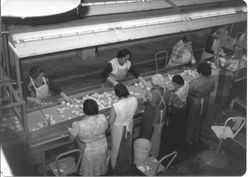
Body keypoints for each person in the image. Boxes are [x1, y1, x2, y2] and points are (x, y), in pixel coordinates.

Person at [69, 99, 108, 176]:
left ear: (84, 111)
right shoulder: (103, 117)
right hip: (102, 146)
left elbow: (71, 139)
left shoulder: (78, 124)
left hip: (88, 151)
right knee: (99, 167)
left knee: (88, 170)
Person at [108, 83, 138, 175]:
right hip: (129, 125)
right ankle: (127, 164)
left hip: (119, 129)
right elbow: (135, 111)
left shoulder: (116, 106)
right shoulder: (134, 99)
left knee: (117, 148)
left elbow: (110, 122)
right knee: (127, 145)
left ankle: (117, 168)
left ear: (117, 94)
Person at [201, 58, 234, 137]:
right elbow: (230, 85)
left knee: (210, 115)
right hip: (224, 97)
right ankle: (217, 132)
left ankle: (207, 133)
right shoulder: (231, 74)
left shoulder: (213, 73)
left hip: (213, 97)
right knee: (218, 112)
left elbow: (208, 85)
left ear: (218, 64)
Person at [140, 74, 171, 158]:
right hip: (163, 114)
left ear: (154, 83)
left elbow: (146, 104)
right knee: (157, 134)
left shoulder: (152, 93)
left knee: (152, 135)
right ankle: (154, 151)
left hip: (154, 116)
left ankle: (153, 154)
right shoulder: (167, 90)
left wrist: (145, 98)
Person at [185, 62, 214, 144]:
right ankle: (196, 138)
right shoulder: (211, 81)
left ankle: (189, 139)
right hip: (205, 101)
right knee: (200, 120)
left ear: (200, 72)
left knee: (192, 121)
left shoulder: (194, 82)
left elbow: (188, 91)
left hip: (196, 103)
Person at [160, 75, 189, 155]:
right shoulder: (186, 84)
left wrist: (169, 93)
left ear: (177, 84)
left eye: (173, 84)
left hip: (177, 109)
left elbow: (171, 101)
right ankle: (176, 137)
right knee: (180, 123)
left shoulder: (178, 93)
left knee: (173, 125)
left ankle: (171, 143)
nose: (172, 85)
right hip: (183, 105)